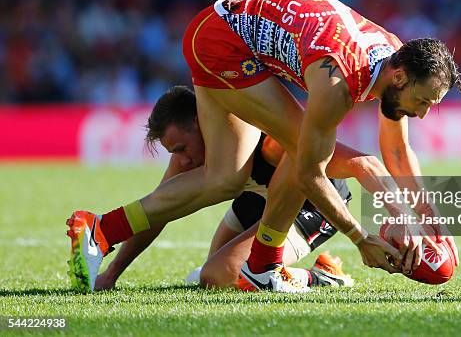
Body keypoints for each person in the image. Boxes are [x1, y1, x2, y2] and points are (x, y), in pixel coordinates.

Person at [67, 0, 461, 293]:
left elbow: (395, 150)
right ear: (398, 78)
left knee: (224, 177)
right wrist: (361, 238)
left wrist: (430, 224)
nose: (423, 113)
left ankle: (101, 230)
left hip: (214, 30)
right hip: (224, 45)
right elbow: (311, 173)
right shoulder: (337, 82)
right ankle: (263, 267)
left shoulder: (393, 55)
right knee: (300, 153)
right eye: (423, 101)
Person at [94, 85, 357, 290]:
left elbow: (309, 162)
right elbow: (158, 212)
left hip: (308, 203)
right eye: (175, 152)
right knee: (207, 274)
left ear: (202, 123)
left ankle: (321, 276)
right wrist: (112, 273)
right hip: (259, 199)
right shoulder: (187, 157)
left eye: (182, 149)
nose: (182, 160)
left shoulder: (250, 134)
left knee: (219, 276)